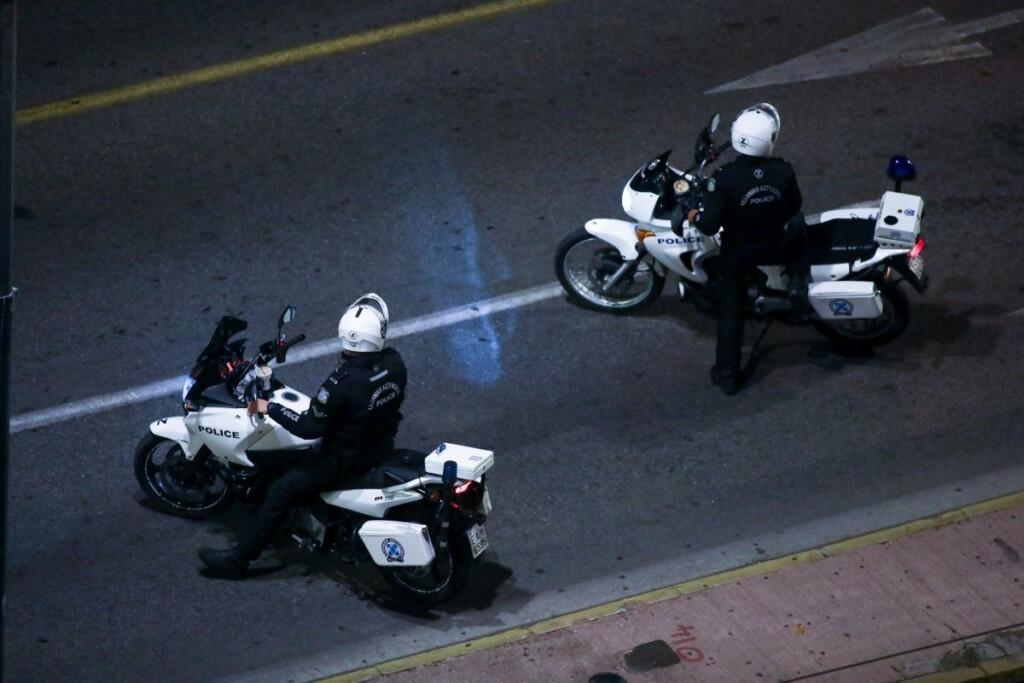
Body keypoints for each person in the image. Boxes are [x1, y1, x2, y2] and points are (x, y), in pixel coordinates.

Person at [198, 293, 408, 579]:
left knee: (281, 491)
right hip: (380, 445)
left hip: (343, 460)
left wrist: (269, 407)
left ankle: (238, 561)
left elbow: (309, 427)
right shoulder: (394, 363)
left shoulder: (341, 384)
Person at [684, 103, 804, 395]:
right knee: (799, 226)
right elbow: (795, 206)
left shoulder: (723, 178)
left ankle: (728, 375)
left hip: (739, 252)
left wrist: (693, 215)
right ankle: (799, 280)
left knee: (731, 311)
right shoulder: (783, 170)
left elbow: (709, 226)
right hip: (777, 245)